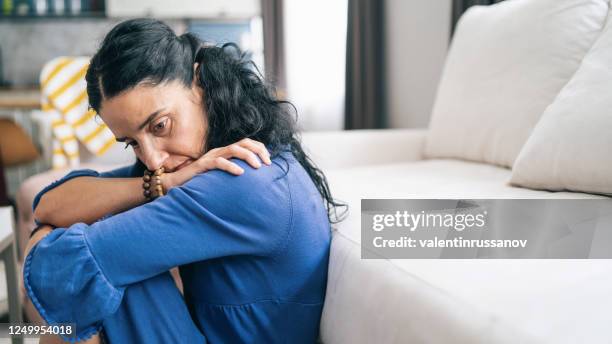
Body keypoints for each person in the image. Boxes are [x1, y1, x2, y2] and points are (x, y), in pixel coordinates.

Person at [23, 18, 344, 344]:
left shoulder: (240, 182)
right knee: (92, 252)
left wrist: (41, 239)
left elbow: (54, 268)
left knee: (88, 270)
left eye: (160, 125)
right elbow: (49, 205)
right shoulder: (208, 163)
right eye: (131, 143)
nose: (152, 159)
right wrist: (161, 184)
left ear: (199, 84)